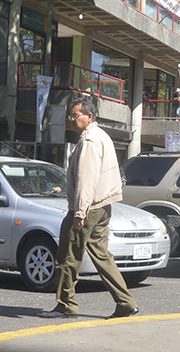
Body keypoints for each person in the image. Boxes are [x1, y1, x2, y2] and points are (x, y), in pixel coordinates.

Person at [40, 97, 139, 320]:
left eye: (75, 115)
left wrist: (80, 212)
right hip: (103, 206)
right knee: (101, 255)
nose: (72, 120)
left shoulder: (89, 141)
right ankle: (126, 303)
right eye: (71, 116)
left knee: (67, 256)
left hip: (88, 207)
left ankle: (66, 305)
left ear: (89, 116)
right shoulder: (102, 136)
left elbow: (87, 179)